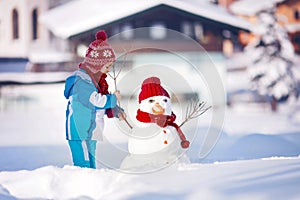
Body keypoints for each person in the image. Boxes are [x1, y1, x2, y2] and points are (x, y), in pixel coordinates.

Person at [64, 30, 125, 168]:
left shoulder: (98, 82)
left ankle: (92, 185)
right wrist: (113, 98)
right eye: (107, 66)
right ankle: (83, 187)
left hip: (90, 130)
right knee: (84, 165)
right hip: (80, 130)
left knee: (91, 163)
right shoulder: (82, 81)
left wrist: (115, 111)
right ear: (97, 64)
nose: (109, 70)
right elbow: (95, 101)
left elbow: (101, 103)